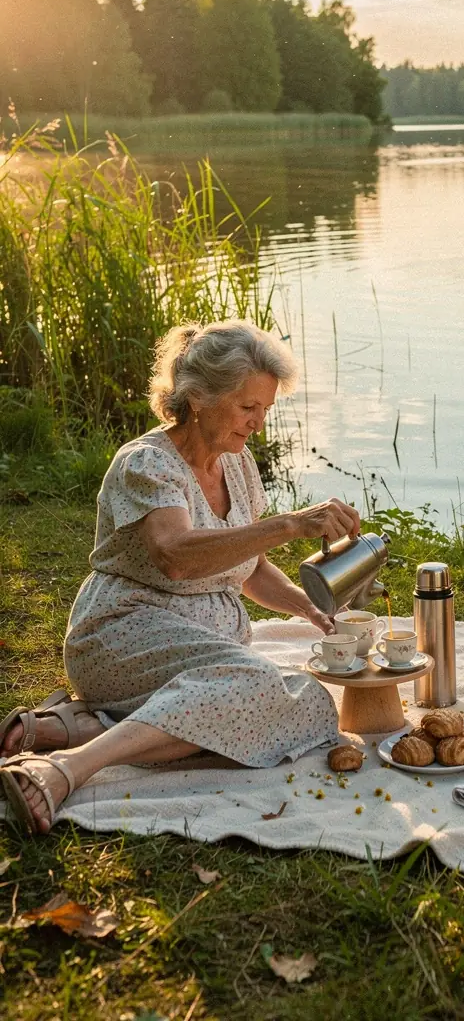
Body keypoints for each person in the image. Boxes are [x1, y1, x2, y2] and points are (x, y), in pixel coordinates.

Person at [1, 320, 361, 834]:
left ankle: (80, 725)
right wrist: (290, 524)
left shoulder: (238, 464)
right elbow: (176, 556)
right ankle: (66, 768)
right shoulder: (147, 463)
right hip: (122, 632)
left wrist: (308, 606)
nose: (258, 423)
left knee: (312, 708)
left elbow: (248, 566)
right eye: (247, 408)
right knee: (257, 686)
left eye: (265, 410)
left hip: (203, 649)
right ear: (198, 398)